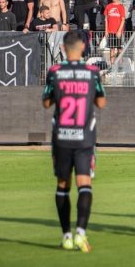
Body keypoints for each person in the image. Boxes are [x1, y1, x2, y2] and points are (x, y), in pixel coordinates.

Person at [42, 31, 106, 253]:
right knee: (84, 184)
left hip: (61, 137)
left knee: (62, 185)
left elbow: (46, 102)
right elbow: (101, 102)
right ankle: (80, 233)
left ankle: (66, 236)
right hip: (84, 138)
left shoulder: (55, 72)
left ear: (63, 48)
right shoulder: (91, 72)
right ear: (82, 48)